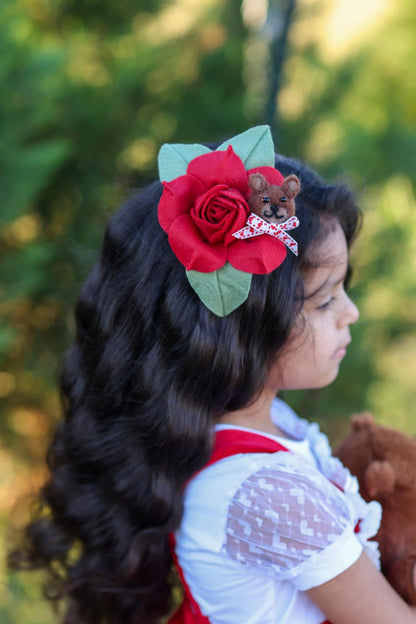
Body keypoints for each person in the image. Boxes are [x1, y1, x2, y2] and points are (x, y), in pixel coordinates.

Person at [8, 126, 416, 624]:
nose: (350, 312)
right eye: (327, 298)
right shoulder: (267, 493)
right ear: (242, 326)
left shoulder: (252, 428)